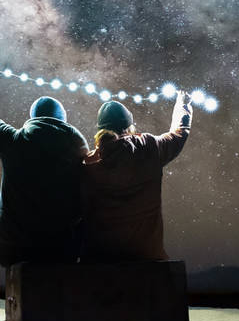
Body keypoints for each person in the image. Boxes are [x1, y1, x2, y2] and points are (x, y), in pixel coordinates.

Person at [0, 66, 89, 266]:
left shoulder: (13, 142)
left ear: (34, 117)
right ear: (63, 119)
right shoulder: (79, 149)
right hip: (63, 246)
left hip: (15, 247)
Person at [81, 91, 192, 262]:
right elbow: (179, 134)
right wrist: (182, 104)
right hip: (146, 255)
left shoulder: (87, 163)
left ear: (100, 129)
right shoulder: (149, 148)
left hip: (101, 257)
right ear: (128, 126)